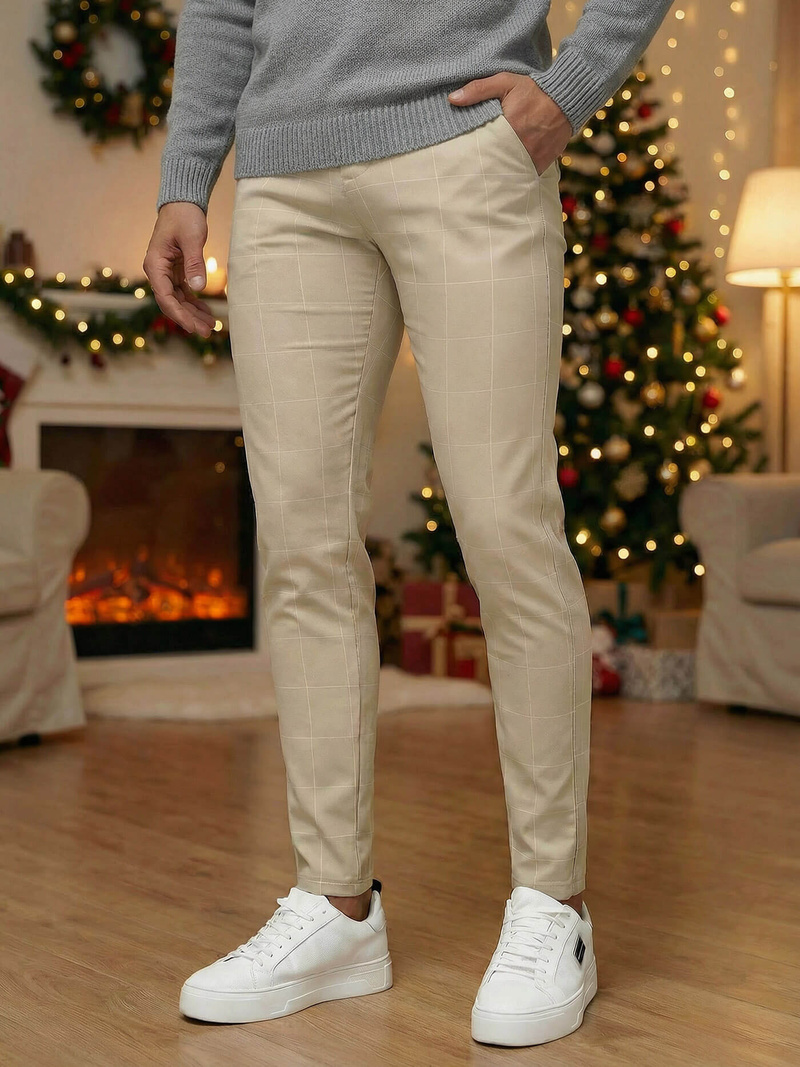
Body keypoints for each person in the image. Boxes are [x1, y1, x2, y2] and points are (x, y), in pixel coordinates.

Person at [144, 0, 674, 1047]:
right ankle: (335, 907)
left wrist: (568, 91)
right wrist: (184, 176)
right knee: (301, 545)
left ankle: (553, 904)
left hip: (467, 147)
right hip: (285, 178)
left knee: (505, 527)